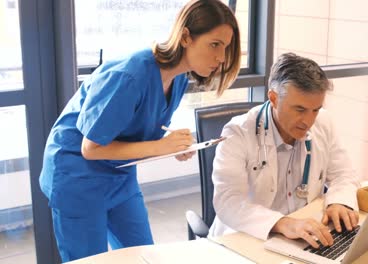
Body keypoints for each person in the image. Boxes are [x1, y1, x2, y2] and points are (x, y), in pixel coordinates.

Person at [39, 0, 240, 261]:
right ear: (186, 36)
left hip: (119, 176)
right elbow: (90, 148)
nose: (221, 58)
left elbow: (136, 133)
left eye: (225, 48)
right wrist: (159, 147)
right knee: (89, 260)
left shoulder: (178, 79)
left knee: (145, 256)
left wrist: (172, 147)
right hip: (76, 176)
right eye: (215, 44)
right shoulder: (130, 75)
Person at [209, 53, 360, 249]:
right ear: (273, 98)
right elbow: (228, 202)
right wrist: (282, 223)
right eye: (300, 109)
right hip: (249, 238)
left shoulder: (324, 122)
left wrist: (339, 202)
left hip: (302, 236)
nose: (309, 120)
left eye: (315, 109)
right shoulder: (237, 133)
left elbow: (343, 174)